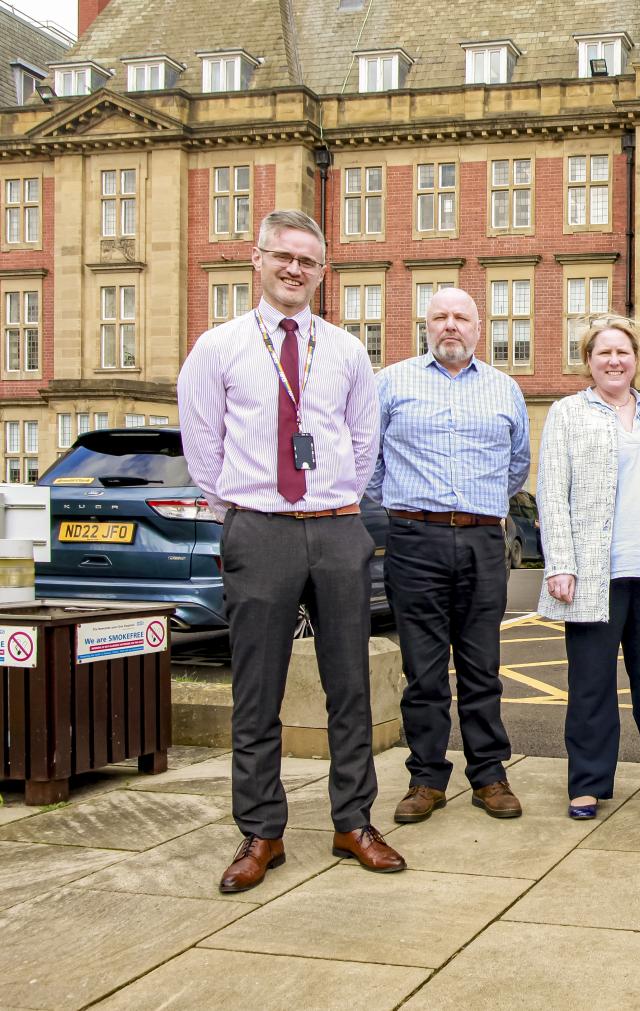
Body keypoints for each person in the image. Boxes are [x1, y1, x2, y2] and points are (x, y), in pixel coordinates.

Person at [178, 209, 405, 892]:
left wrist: (329, 500)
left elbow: (363, 443)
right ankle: (261, 831)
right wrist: (251, 509)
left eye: (308, 261)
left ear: (322, 271)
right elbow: (202, 449)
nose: (295, 270)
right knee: (256, 690)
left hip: (338, 528)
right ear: (258, 260)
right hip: (260, 528)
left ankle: (353, 821)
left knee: (350, 686)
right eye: (284, 256)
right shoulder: (217, 348)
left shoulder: (343, 350)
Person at [367, 287, 530, 824]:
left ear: (479, 329)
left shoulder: (505, 389)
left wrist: (477, 508)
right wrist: (411, 510)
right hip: (415, 540)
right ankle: (426, 778)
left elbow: (516, 466)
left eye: (461, 317)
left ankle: (489, 775)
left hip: (484, 540)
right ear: (426, 325)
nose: (450, 326)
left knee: (483, 667)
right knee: (425, 670)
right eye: (440, 317)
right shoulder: (390, 383)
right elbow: (368, 465)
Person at [535, 318, 640, 819]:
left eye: (622, 352)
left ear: (635, 360)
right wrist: (559, 563)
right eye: (603, 353)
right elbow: (552, 492)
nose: (614, 361)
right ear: (588, 361)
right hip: (593, 573)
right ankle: (587, 783)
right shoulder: (568, 413)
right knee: (591, 682)